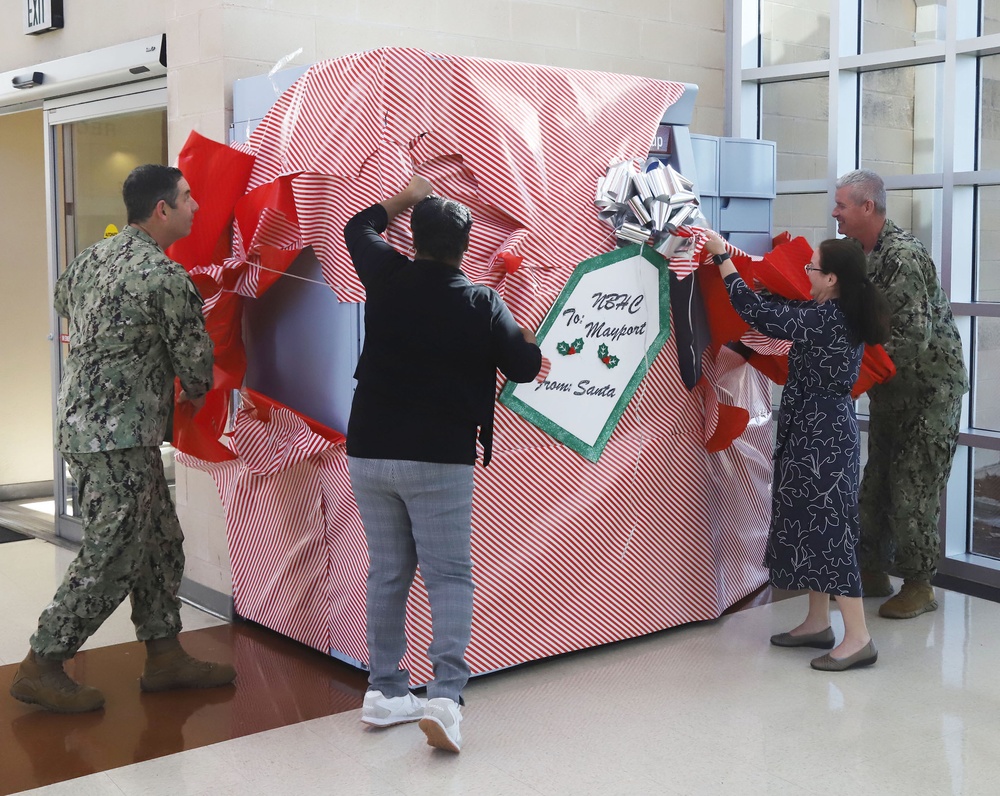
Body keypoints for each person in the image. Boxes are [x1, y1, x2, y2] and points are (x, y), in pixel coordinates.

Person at [9, 164, 236, 714]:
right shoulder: (164, 276)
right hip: (121, 436)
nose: (195, 208)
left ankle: (164, 656)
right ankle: (44, 660)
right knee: (114, 550)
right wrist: (197, 390)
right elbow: (197, 366)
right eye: (187, 199)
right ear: (163, 210)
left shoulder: (92, 258)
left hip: (84, 426)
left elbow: (66, 305)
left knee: (160, 539)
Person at [343, 175, 542, 752]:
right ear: (466, 244)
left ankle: (385, 692)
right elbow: (524, 367)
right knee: (449, 575)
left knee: (388, 571)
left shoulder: (385, 275)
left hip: (371, 448)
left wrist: (404, 195)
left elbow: (359, 226)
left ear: (415, 238)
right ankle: (445, 698)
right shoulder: (482, 301)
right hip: (439, 457)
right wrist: (527, 343)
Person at [704, 231, 891, 671]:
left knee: (829, 532)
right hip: (814, 432)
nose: (804, 272)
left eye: (811, 267)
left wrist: (721, 260)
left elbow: (757, 313)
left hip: (821, 439)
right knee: (809, 525)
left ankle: (858, 637)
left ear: (830, 278)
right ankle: (816, 622)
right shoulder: (828, 308)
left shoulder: (829, 320)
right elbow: (782, 309)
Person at [833, 170, 969, 618]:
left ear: (867, 207)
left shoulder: (903, 255)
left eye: (842, 205)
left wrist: (854, 373)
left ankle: (918, 584)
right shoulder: (859, 255)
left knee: (914, 487)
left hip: (929, 392)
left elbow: (912, 336)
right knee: (875, 487)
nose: (835, 213)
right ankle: (870, 569)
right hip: (891, 391)